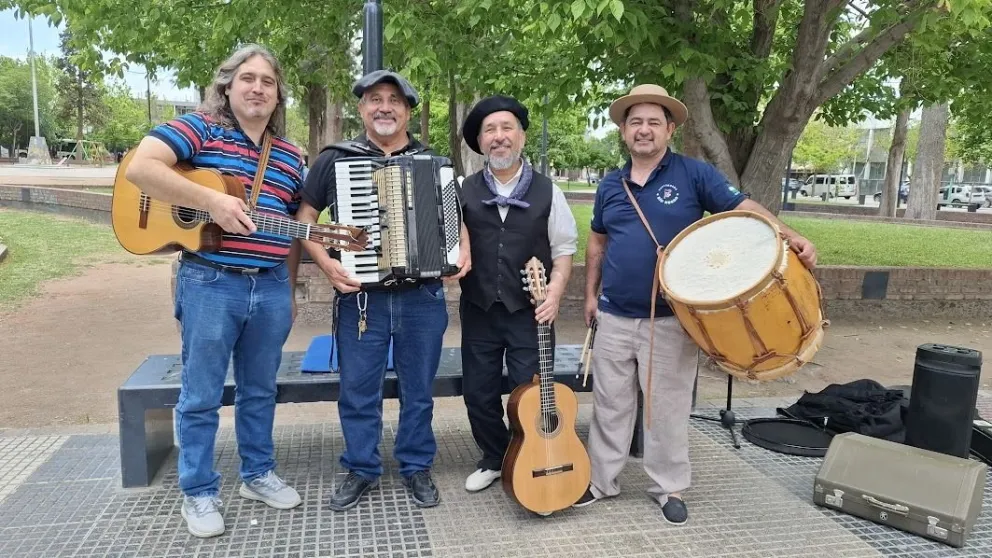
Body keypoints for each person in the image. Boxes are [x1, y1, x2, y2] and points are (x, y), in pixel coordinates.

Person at [573, 84, 817, 524]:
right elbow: (597, 244)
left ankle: (668, 486)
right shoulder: (610, 184)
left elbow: (743, 208)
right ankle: (601, 482)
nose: (643, 130)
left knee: (666, 408)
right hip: (613, 315)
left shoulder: (694, 174)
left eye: (653, 122)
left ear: (669, 130)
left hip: (671, 319)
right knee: (610, 405)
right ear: (623, 131)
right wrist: (591, 296)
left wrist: (789, 234)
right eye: (635, 122)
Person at [124, 45, 305, 538]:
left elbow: (292, 229)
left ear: (278, 95)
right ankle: (199, 491)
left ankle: (257, 474)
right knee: (201, 394)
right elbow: (141, 167)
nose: (258, 88)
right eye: (248, 78)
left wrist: (289, 290)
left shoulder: (291, 156)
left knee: (260, 389)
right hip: (210, 281)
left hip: (270, 284)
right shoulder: (200, 129)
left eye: (268, 82)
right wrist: (211, 200)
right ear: (226, 86)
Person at [296, 70, 471, 511]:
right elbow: (305, 218)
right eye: (375, 99)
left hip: (422, 298)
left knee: (419, 391)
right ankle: (361, 467)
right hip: (361, 299)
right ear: (361, 108)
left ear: (407, 111)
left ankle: (416, 466)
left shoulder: (434, 161)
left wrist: (462, 250)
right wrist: (327, 265)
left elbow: (455, 219)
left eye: (395, 100)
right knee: (358, 390)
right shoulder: (336, 159)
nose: (385, 107)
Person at [455, 96, 578, 492]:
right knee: (478, 393)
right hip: (479, 309)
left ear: (521, 136)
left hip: (531, 313)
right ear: (480, 142)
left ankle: (531, 455)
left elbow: (563, 250)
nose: (499, 136)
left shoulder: (548, 191)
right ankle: (495, 458)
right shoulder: (463, 190)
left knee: (532, 392)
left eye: (506, 127)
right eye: (489, 130)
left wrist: (554, 293)